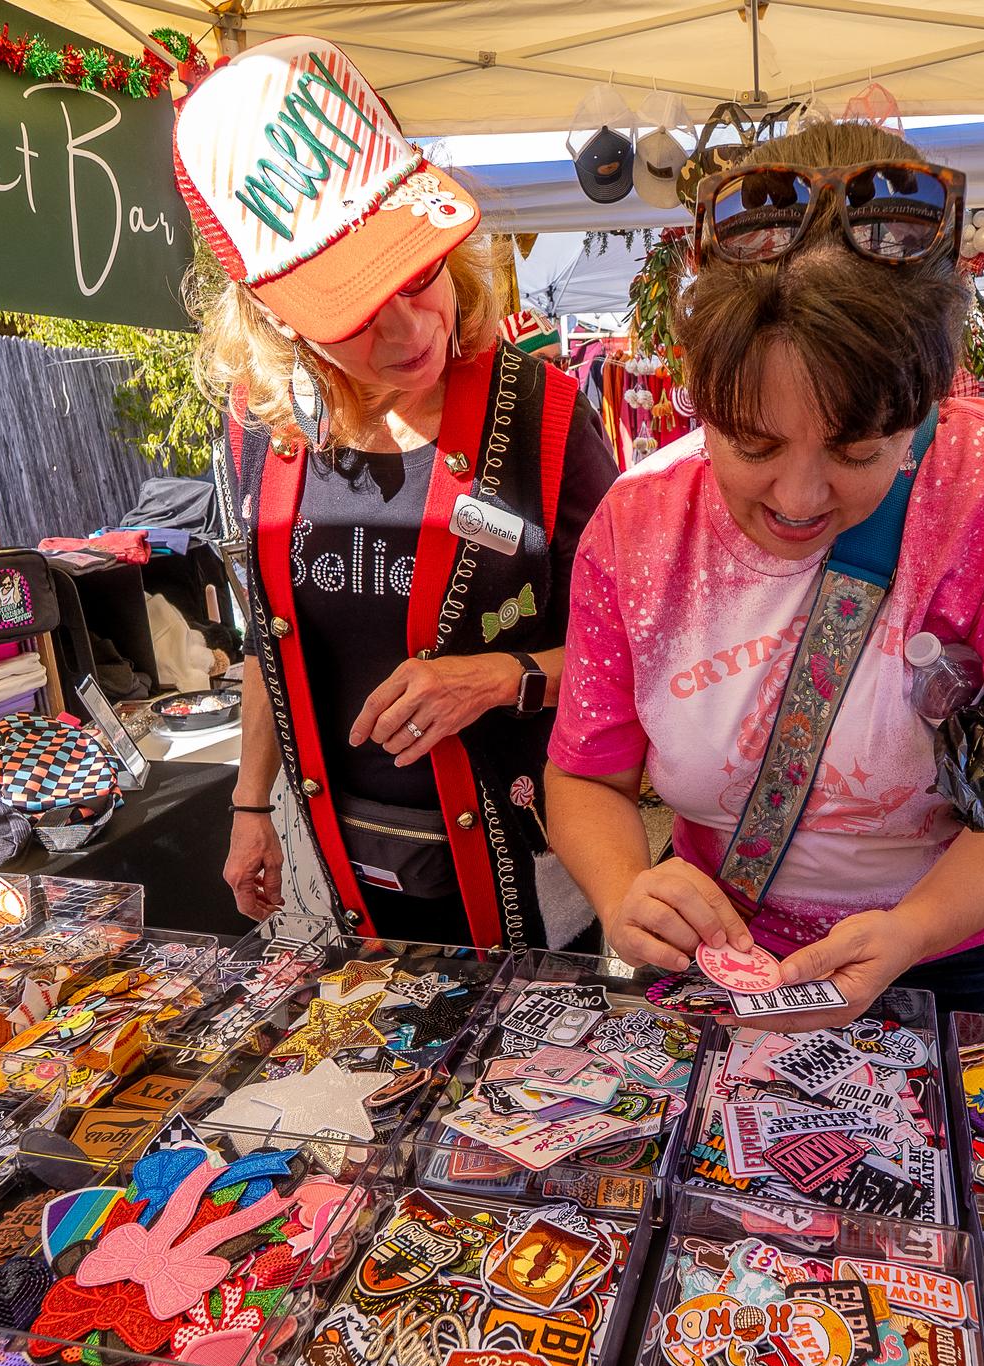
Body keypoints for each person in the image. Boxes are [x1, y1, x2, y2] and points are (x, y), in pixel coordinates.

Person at [545, 121, 984, 1020]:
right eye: (751, 441)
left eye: (858, 447)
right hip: (710, 947)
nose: (799, 498)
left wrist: (916, 929)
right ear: (701, 397)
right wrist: (623, 893)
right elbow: (585, 777)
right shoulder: (638, 522)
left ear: (922, 404)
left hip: (941, 954)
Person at [178, 37, 618, 949]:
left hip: (528, 867)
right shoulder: (258, 428)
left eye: (420, 274)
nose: (413, 329)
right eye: (353, 313)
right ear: (271, 319)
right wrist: (249, 801)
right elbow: (269, 644)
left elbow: (639, 656)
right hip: (344, 873)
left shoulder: (545, 419)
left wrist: (501, 678)